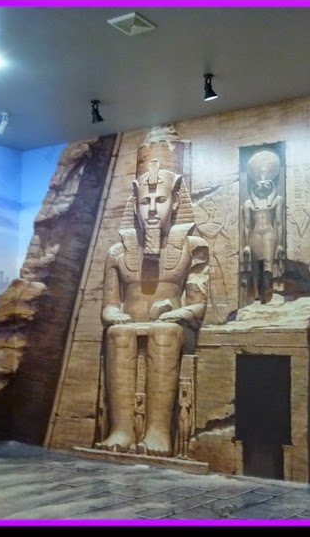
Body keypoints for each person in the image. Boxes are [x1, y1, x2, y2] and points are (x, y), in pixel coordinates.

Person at [96, 159, 209, 457]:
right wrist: (114, 315)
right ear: (135, 207)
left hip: (174, 329)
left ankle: (158, 432)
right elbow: (108, 307)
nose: (153, 209)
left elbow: (198, 306)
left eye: (160, 200)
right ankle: (121, 431)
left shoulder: (192, 246)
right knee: (118, 335)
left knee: (164, 332)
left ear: (175, 203)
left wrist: (174, 312)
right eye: (145, 202)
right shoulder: (117, 252)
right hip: (130, 325)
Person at [241, 150, 285, 305]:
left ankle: (268, 294)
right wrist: (246, 245)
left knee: (267, 264)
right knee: (256, 266)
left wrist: (280, 244)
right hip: (255, 234)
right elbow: (247, 225)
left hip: (269, 234)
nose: (262, 186)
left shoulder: (277, 200)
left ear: (271, 186)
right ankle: (257, 295)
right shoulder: (248, 203)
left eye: (266, 184)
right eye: (259, 185)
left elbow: (279, 223)